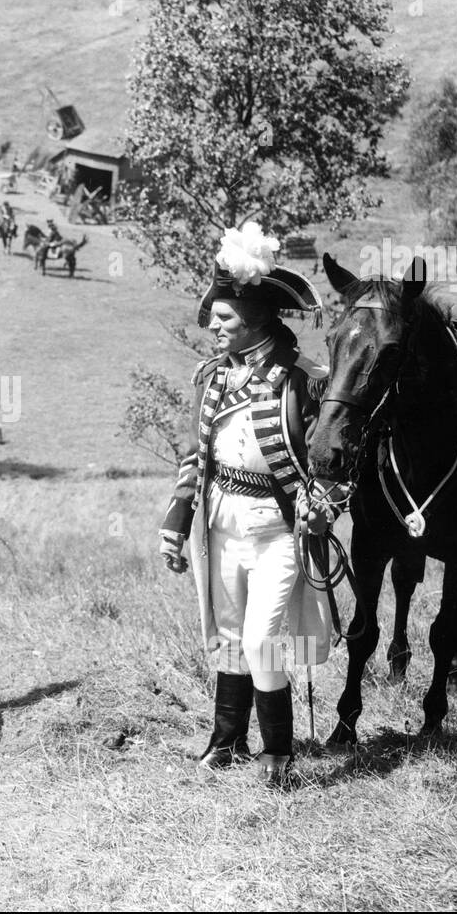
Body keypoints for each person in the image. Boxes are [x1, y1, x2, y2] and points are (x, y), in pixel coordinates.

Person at [158, 223, 339, 788]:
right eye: (215, 316)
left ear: (257, 321)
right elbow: (196, 457)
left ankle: (278, 754)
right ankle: (227, 738)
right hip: (219, 523)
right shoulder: (210, 377)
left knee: (262, 639)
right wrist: (175, 521)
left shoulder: (302, 381)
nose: (213, 325)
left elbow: (331, 463)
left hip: (278, 528)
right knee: (229, 638)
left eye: (225, 319)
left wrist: (323, 505)